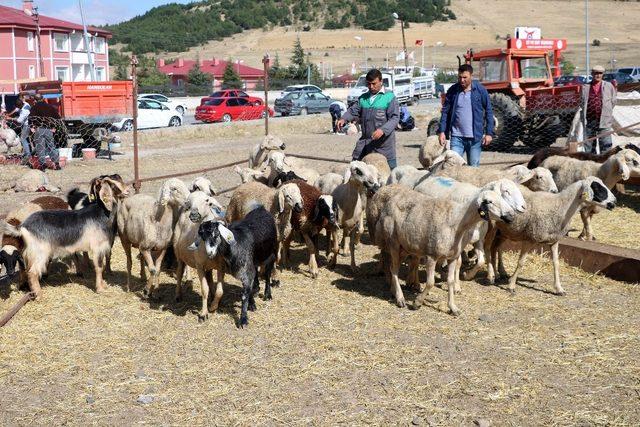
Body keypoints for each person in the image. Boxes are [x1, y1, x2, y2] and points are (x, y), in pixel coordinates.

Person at [337, 68, 400, 169]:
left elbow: (395, 118)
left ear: (381, 81)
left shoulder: (389, 97)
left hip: (384, 147)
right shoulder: (363, 98)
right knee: (355, 171)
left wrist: (382, 130)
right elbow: (353, 111)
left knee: (390, 176)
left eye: (374, 83)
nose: (371, 87)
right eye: (368, 84)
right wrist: (343, 118)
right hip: (365, 145)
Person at [438, 63, 494, 167]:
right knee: (453, 166)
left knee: (473, 168)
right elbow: (445, 112)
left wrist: (489, 133)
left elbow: (489, 111)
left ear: (471, 76)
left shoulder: (480, 90)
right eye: (460, 77)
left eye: (465, 77)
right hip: (457, 137)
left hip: (475, 138)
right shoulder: (453, 91)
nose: (462, 80)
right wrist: (442, 131)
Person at [581, 65, 616, 153]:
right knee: (589, 147)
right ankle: (592, 164)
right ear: (592, 74)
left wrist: (606, 111)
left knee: (606, 145)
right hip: (590, 120)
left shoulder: (609, 86)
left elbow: (613, 101)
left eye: (600, 73)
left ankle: (604, 164)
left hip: (604, 120)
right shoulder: (585, 87)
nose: (598, 75)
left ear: (603, 74)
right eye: (596, 73)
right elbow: (581, 102)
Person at [29, 93, 61, 171]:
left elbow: (31, 118)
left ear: (35, 100)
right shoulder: (50, 107)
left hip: (39, 129)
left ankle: (43, 166)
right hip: (48, 129)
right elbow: (57, 117)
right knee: (51, 146)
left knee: (40, 147)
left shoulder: (34, 108)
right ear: (43, 98)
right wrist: (54, 127)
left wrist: (31, 127)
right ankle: (57, 164)